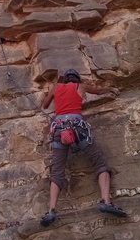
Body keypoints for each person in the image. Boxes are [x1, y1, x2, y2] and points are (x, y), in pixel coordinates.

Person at [40, 68, 127, 227]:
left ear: (65, 79)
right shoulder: (80, 86)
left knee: (58, 171)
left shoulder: (57, 87)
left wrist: (51, 92)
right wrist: (111, 89)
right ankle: (106, 202)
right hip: (77, 127)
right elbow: (99, 91)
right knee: (100, 162)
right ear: (77, 79)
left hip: (59, 129)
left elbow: (45, 105)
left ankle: (51, 211)